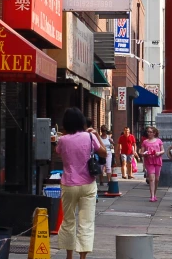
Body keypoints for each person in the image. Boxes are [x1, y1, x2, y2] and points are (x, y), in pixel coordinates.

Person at [56, 107, 106, 259]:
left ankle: (69, 256)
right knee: (86, 222)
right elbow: (104, 153)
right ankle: (82, 258)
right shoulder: (89, 137)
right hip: (88, 184)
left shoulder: (62, 140)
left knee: (68, 221)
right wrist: (96, 134)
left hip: (69, 184)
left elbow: (58, 151)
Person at [140, 126, 164, 202]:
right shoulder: (145, 142)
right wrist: (145, 154)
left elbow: (163, 150)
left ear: (154, 133)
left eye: (150, 132)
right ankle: (152, 196)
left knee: (157, 179)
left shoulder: (159, 141)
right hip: (149, 161)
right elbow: (141, 152)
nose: (149, 133)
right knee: (151, 178)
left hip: (157, 160)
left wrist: (159, 153)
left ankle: (154, 193)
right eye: (148, 132)